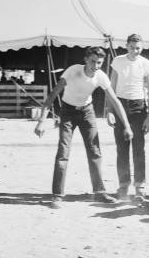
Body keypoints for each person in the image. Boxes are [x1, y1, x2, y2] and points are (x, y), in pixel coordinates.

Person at [34, 46, 133, 209]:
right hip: (68, 111)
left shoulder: (101, 76)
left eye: (99, 62)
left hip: (87, 111)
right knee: (63, 152)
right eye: (93, 61)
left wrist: (127, 126)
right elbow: (52, 95)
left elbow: (115, 101)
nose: (96, 66)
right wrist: (41, 121)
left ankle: (99, 192)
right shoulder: (73, 71)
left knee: (95, 151)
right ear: (86, 59)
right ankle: (57, 195)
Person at [106, 34, 149, 202]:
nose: (135, 51)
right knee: (122, 148)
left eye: (139, 48)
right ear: (126, 46)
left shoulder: (146, 64)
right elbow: (110, 87)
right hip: (120, 104)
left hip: (138, 107)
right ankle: (123, 184)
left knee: (138, 148)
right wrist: (109, 110)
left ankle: (140, 185)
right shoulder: (117, 61)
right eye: (132, 47)